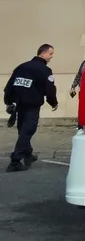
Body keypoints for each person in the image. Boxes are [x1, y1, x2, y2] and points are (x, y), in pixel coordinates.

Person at [4, 44, 59, 172]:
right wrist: (53, 103)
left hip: (20, 104)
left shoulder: (22, 67)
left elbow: (9, 86)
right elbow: (50, 89)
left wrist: (8, 102)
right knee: (27, 131)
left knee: (23, 130)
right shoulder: (45, 70)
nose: (51, 56)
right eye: (50, 53)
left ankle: (28, 155)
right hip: (32, 105)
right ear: (43, 53)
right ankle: (15, 161)